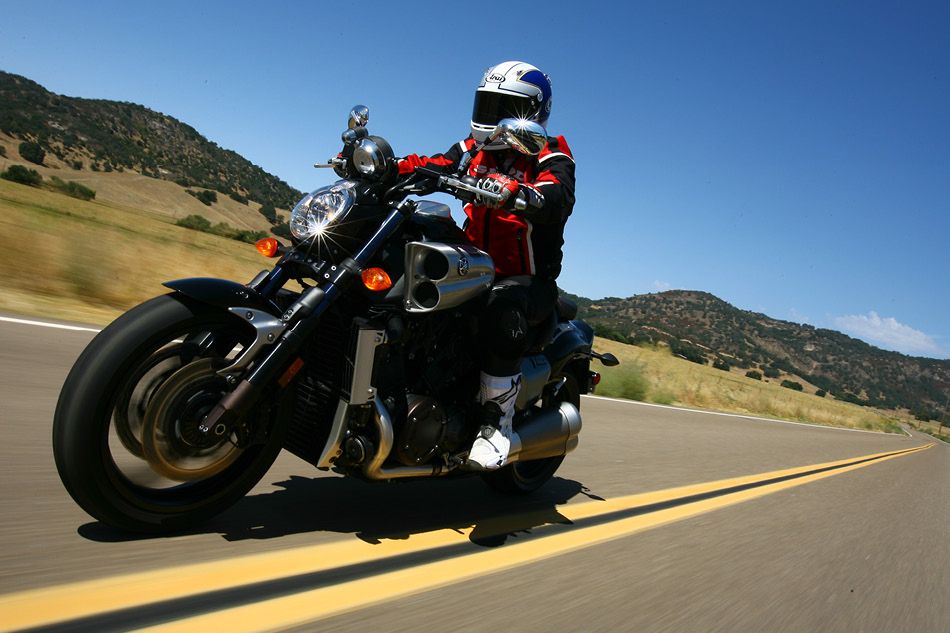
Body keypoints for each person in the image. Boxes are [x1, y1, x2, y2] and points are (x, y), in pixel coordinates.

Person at [397, 61, 576, 470]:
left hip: (525, 280)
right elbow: (435, 164)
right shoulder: (473, 149)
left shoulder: (550, 153)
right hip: (473, 269)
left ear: (531, 113)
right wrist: (388, 165)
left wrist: (521, 193)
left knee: (500, 308)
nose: (492, 116)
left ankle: (496, 425)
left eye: (504, 107)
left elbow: (557, 194)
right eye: (488, 104)